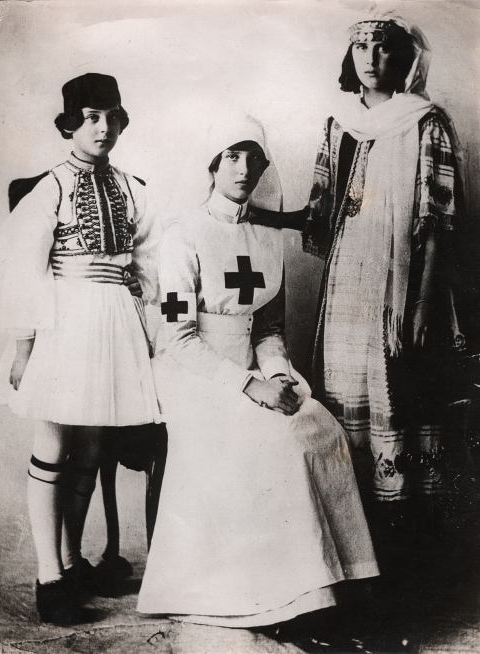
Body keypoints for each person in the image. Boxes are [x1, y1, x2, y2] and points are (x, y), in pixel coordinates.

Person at [137, 112, 379, 628]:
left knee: (319, 426)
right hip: (194, 374)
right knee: (272, 440)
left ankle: (335, 581)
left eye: (253, 157)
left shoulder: (268, 239)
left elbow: (269, 329)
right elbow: (177, 339)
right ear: (212, 163)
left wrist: (279, 377)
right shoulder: (182, 237)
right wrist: (248, 386)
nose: (243, 168)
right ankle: (280, 596)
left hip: (254, 370)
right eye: (231, 156)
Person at [251, 15, 476, 559]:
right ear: (348, 57)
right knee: (346, 397)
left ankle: (408, 546)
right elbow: (320, 213)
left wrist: (420, 307)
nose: (370, 58)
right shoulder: (341, 125)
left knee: (401, 395)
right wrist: (251, 214)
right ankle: (355, 543)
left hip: (403, 287)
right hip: (348, 284)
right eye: (359, 47)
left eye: (382, 48)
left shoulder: (427, 124)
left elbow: (438, 225)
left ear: (402, 58)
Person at [0, 73, 163, 625]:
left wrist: (161, 328)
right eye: (90, 117)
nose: (102, 127)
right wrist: (23, 346)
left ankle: (70, 560)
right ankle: (47, 578)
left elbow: (156, 264)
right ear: (70, 124)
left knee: (91, 450)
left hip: (116, 323)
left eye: (110, 115)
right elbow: (21, 270)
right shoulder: (52, 187)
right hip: (63, 321)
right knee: (54, 444)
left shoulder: (135, 188)